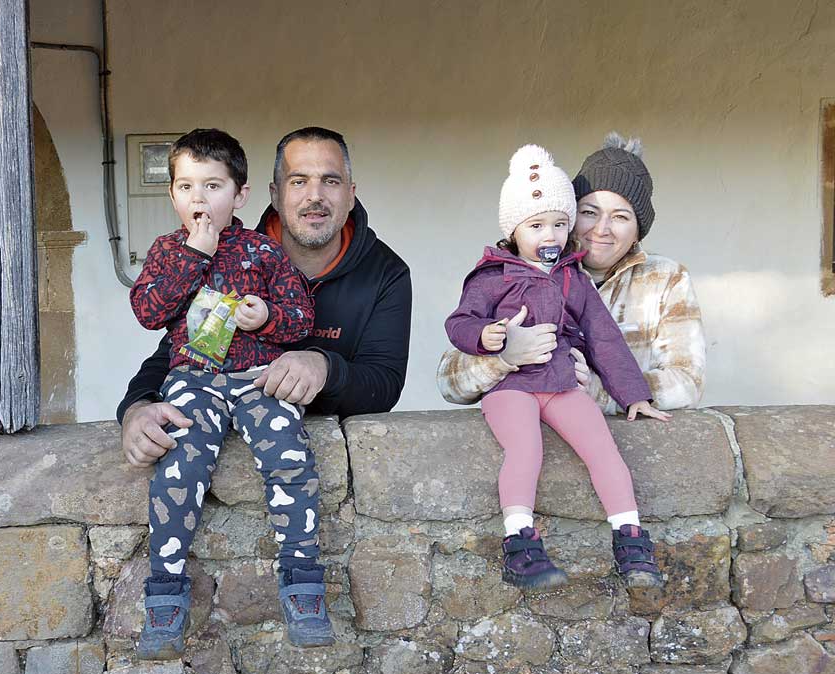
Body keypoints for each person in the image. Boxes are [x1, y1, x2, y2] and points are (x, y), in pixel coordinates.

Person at [128, 129, 330, 659]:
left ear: (239, 195)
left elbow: (300, 318)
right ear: (172, 195)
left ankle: (302, 582)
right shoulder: (168, 252)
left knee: (290, 457)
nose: (199, 199)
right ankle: (166, 595)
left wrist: (266, 319)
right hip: (193, 381)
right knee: (179, 468)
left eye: (213, 186)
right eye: (187, 187)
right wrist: (196, 254)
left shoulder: (263, 250)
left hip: (257, 378)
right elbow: (149, 311)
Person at [118, 126, 413, 465]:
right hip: (229, 449)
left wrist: (324, 367)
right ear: (275, 194)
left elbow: (384, 384)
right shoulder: (234, 256)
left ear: (350, 194)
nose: (314, 195)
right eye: (298, 181)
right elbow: (182, 349)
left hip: (314, 462)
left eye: (330, 181)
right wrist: (136, 409)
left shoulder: (385, 272)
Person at [444, 144, 667, 591]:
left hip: (562, 384)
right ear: (514, 229)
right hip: (511, 386)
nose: (551, 234)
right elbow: (460, 322)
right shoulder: (493, 275)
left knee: (602, 447)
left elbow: (604, 338)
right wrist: (487, 337)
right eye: (537, 225)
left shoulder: (573, 278)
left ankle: (629, 536)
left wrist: (634, 395)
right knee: (526, 449)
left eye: (561, 224)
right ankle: (520, 542)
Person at [437, 133, 705, 415]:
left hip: (622, 442)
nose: (602, 229)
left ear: (639, 231)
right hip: (532, 432)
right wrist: (503, 357)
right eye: (589, 212)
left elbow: (687, 384)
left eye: (621, 217)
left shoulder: (665, 279)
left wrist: (597, 391)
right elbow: (448, 383)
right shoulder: (522, 270)